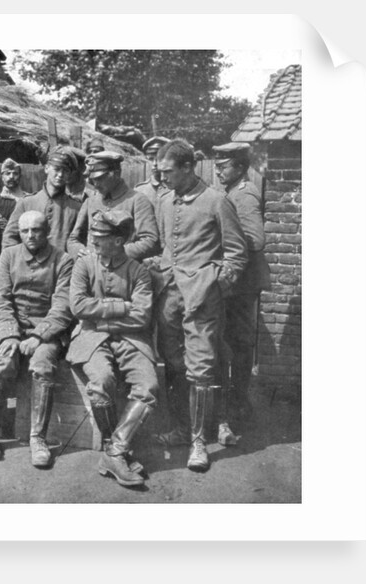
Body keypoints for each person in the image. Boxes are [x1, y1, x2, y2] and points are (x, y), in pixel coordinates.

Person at [151, 139, 248, 472]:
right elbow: (167, 246)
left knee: (202, 367)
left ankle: (198, 443)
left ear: (188, 168)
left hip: (203, 300)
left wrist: (213, 287)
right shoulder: (165, 201)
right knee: (173, 363)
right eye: (159, 172)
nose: (162, 179)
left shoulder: (216, 201)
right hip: (169, 298)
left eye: (168, 172)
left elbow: (236, 256)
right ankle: (181, 428)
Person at [67, 211, 159, 487]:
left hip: (131, 339)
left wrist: (101, 317)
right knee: (101, 380)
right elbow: (78, 306)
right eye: (93, 235)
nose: (92, 240)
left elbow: (142, 316)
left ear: (118, 240)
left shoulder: (138, 271)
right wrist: (121, 307)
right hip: (91, 338)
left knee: (149, 387)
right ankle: (116, 451)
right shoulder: (84, 265)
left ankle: (115, 451)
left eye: (99, 237)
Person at [0, 211, 74, 465]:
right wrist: (9, 335)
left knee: (42, 366)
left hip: (47, 332)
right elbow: (0, 300)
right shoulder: (9, 255)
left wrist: (38, 336)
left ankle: (38, 438)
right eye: (25, 231)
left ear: (47, 232)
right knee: (3, 362)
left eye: (36, 230)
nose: (30, 236)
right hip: (13, 328)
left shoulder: (63, 260)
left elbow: (62, 306)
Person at [213, 142, 271, 439]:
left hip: (241, 283)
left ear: (239, 166)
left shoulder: (244, 194)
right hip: (238, 281)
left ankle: (239, 401)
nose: (217, 170)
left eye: (223, 166)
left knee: (239, 341)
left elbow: (255, 239)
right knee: (235, 340)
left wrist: (226, 254)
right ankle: (237, 400)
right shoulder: (232, 192)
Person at [67, 151, 159, 262]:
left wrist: (116, 253)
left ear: (116, 173)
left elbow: (150, 240)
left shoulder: (138, 200)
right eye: (93, 180)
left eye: (100, 178)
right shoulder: (90, 202)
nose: (95, 184)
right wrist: (79, 251)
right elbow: (73, 239)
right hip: (92, 271)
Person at [2, 146, 84, 252]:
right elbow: (9, 240)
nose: (60, 174)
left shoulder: (76, 208)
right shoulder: (26, 203)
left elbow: (79, 243)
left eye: (66, 171)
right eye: (57, 169)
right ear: (46, 168)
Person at [134, 136, 171, 209]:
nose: (154, 164)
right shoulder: (140, 190)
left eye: (159, 159)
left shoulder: (176, 188)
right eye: (151, 159)